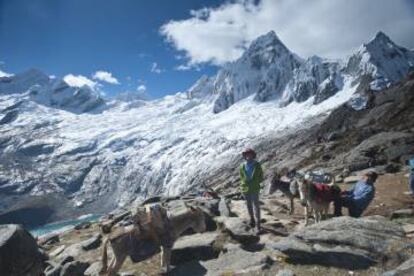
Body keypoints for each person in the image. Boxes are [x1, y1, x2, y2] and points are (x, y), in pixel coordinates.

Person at [239, 148, 264, 231]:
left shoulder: (257, 165)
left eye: (249, 154)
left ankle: (258, 224)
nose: (248, 156)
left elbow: (261, 176)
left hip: (255, 188)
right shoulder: (242, 166)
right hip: (245, 188)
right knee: (248, 205)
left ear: (253, 155)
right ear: (244, 156)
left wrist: (255, 182)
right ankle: (252, 219)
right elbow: (241, 177)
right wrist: (243, 184)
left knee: (256, 205)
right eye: (246, 154)